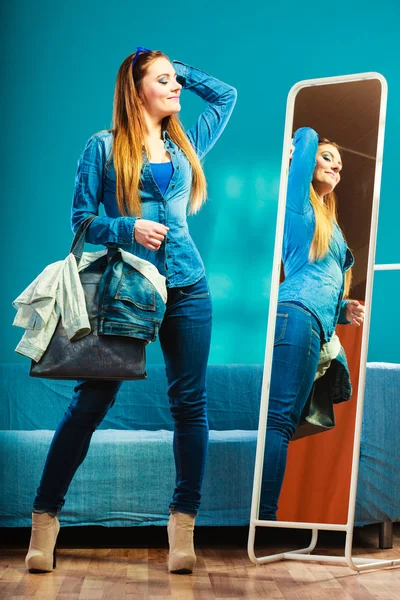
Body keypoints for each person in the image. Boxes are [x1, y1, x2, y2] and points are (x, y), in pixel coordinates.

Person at [25, 47, 236, 574]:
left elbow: (227, 95)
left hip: (188, 286)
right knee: (91, 403)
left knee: (190, 405)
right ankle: (45, 518)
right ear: (137, 88)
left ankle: (182, 524)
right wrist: (127, 228)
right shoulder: (103, 147)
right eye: (162, 80)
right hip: (128, 290)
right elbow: (79, 221)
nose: (176, 88)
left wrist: (173, 66)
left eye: (176, 80)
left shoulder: (187, 146)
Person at [259, 127, 365, 520]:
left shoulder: (326, 221)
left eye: (340, 163)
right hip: (296, 315)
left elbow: (317, 277)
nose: (336, 165)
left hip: (309, 320)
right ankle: (264, 517)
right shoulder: (297, 203)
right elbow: (305, 138)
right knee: (280, 421)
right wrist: (308, 139)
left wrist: (341, 310)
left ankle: (264, 515)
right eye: (327, 158)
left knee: (284, 422)